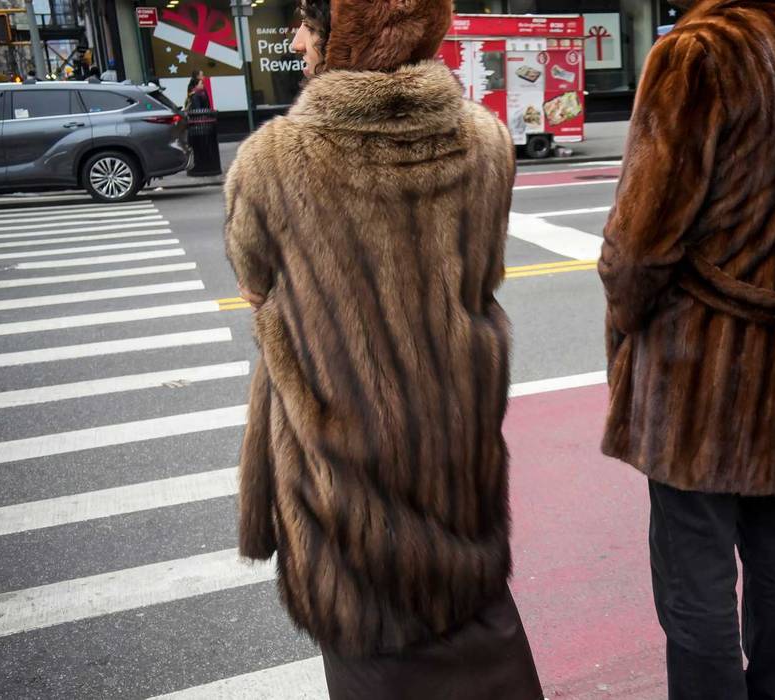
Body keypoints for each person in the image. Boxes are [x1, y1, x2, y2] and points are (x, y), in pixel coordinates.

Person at [224, 1, 543, 698]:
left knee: (370, 657)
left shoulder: (272, 159)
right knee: (477, 628)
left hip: (341, 471)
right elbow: (481, 279)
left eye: (310, 21)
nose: (299, 38)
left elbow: (254, 283)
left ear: (350, 30)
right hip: (453, 449)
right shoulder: (486, 142)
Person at [597, 0, 775, 698]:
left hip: (697, 367)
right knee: (770, 538)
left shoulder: (697, 52)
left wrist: (624, 319)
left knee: (693, 564)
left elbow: (640, 239)